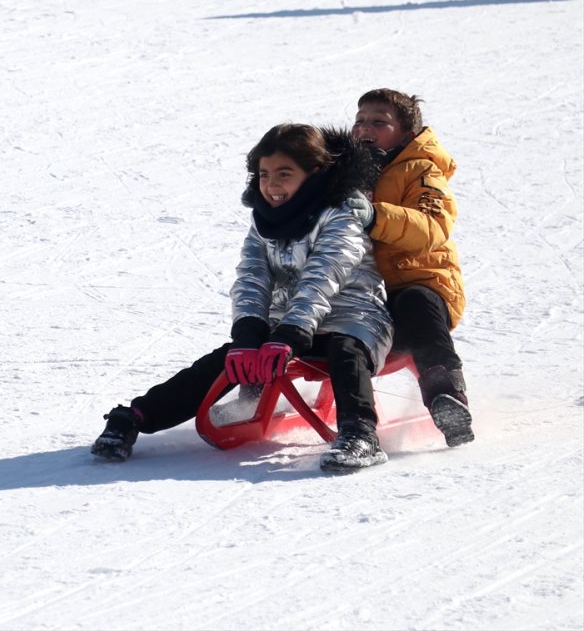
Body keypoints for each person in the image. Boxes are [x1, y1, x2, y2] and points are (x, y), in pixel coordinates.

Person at [91, 123, 395, 473]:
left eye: (284, 174)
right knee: (228, 360)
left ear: (314, 174)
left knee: (346, 352)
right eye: (264, 174)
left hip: (355, 317)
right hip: (287, 326)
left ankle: (360, 434)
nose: (272, 185)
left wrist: (291, 333)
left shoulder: (342, 216)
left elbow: (322, 278)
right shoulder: (265, 219)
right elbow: (252, 278)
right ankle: (136, 416)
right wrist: (249, 333)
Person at [345, 89, 475, 447]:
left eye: (378, 122)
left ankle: (445, 394)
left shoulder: (421, 169)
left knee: (414, 301)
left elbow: (432, 228)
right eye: (360, 121)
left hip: (420, 285)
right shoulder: (347, 169)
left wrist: (376, 216)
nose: (365, 128)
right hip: (363, 296)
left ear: (405, 133)